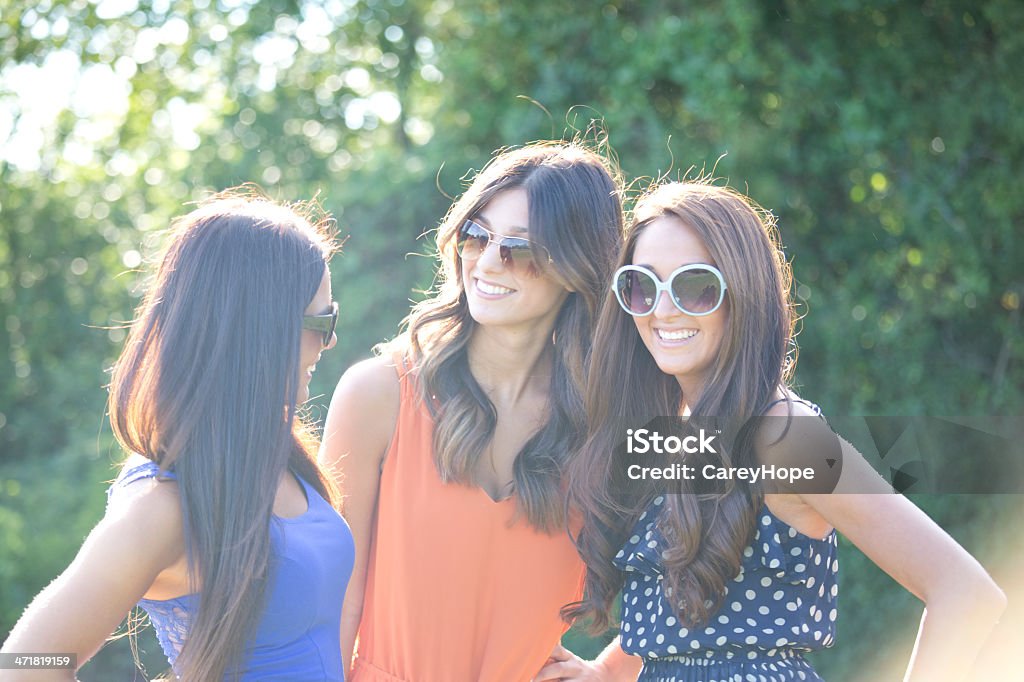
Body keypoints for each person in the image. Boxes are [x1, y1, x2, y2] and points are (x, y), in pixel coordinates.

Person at [541, 181, 1007, 681]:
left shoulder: (788, 436)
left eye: (695, 286)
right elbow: (685, 613)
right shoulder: (677, 433)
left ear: (743, 295)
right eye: (642, 285)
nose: (664, 308)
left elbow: (964, 591)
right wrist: (605, 672)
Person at [0, 190, 354, 681]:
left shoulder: (278, 453)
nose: (331, 340)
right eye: (322, 321)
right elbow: (24, 663)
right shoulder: (163, 504)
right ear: (257, 331)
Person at [319, 142, 624, 681]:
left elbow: (715, 545)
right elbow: (329, 609)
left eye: (519, 249)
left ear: (577, 268)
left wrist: (613, 670)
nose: (486, 261)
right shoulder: (378, 396)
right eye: (475, 236)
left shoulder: (605, 425)